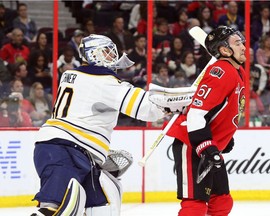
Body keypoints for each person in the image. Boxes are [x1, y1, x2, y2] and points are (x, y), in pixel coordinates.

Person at [30, 34, 175, 216]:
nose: (112, 57)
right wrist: (174, 103)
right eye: (107, 52)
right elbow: (147, 108)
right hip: (64, 150)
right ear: (93, 54)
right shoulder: (104, 82)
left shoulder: (71, 74)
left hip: (73, 150)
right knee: (56, 208)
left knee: (104, 204)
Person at [167, 26, 246, 215]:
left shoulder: (236, 71)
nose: (243, 46)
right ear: (225, 50)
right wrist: (205, 145)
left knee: (221, 202)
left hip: (210, 145)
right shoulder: (221, 71)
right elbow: (196, 113)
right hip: (192, 144)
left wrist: (224, 136)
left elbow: (221, 109)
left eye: (242, 41)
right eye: (237, 43)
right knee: (195, 204)